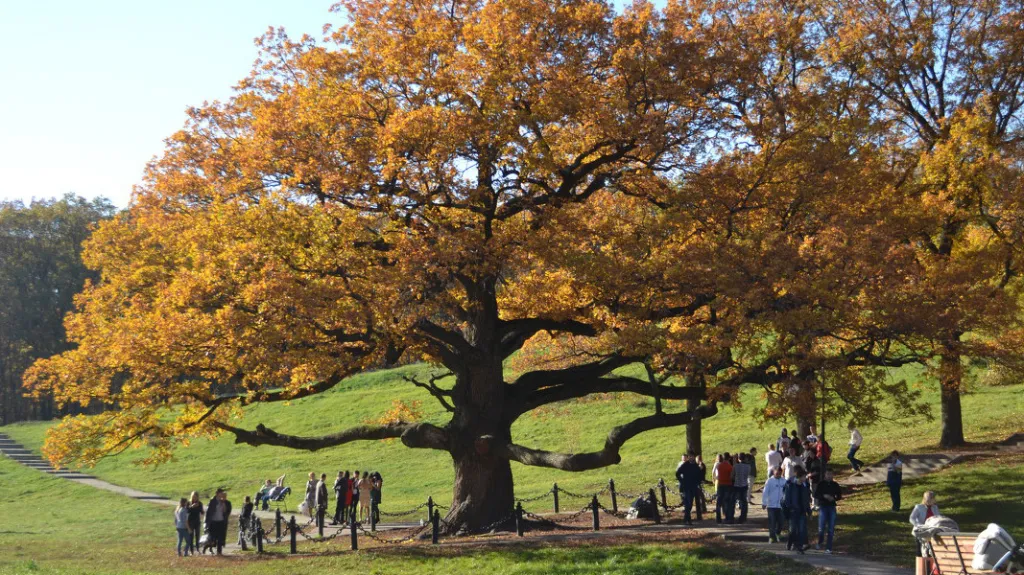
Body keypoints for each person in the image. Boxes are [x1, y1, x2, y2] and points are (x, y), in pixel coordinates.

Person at [814, 471, 842, 554]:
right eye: (828, 474)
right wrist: (824, 496)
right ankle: (820, 541)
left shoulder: (835, 485)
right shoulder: (821, 484)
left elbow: (839, 495)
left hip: (832, 507)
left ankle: (829, 547)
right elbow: (816, 495)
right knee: (821, 527)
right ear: (825, 475)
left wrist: (834, 498)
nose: (829, 476)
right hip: (823, 506)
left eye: (831, 474)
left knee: (831, 528)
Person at [785, 468, 812, 553]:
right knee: (793, 530)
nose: (805, 478)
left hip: (802, 511)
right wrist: (789, 508)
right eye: (804, 476)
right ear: (800, 477)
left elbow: (806, 500)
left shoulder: (804, 487)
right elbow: (787, 499)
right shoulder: (791, 485)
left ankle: (799, 547)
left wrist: (809, 512)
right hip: (793, 511)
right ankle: (790, 542)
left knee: (801, 530)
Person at [909, 491, 941, 557]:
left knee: (930, 551)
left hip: (931, 531)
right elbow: (912, 518)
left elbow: (938, 518)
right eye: (928, 499)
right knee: (920, 550)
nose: (929, 500)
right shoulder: (919, 507)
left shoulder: (935, 507)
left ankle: (929, 565)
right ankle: (920, 565)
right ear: (924, 499)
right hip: (920, 531)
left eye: (931, 498)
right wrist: (919, 525)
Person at [675, 452, 702, 525]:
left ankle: (686, 518)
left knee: (689, 503)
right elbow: (677, 473)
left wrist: (698, 482)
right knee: (688, 503)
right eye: (690, 456)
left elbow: (699, 475)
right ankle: (688, 519)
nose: (691, 458)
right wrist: (682, 481)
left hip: (693, 486)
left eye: (692, 456)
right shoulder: (685, 465)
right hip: (686, 486)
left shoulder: (696, 466)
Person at [762, 467, 786, 543]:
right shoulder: (769, 481)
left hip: (781, 506)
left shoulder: (784, 481)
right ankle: (772, 537)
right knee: (772, 522)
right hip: (771, 505)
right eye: (776, 474)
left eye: (779, 474)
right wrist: (764, 503)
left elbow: (787, 492)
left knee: (781, 522)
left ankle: (777, 533)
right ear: (773, 472)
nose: (778, 475)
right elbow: (765, 492)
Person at [205, 488, 232, 556]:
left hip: (221, 522)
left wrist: (223, 503)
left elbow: (225, 511)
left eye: (222, 493)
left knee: (220, 538)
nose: (222, 494)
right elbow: (208, 512)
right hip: (214, 522)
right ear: (217, 493)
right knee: (213, 538)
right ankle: (209, 547)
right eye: (221, 493)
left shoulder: (223, 502)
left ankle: (219, 552)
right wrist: (207, 522)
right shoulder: (213, 501)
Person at [731, 453, 751, 523]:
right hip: (744, 485)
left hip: (736, 485)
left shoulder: (735, 466)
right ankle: (743, 517)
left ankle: (731, 516)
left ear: (738, 459)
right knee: (744, 502)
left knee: (733, 501)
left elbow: (732, 476)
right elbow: (747, 475)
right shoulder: (748, 466)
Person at [715, 453, 734, 523]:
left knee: (719, 502)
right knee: (726, 501)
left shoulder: (719, 466)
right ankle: (727, 517)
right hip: (728, 484)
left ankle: (718, 518)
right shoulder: (730, 467)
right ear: (729, 458)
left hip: (720, 484)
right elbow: (731, 477)